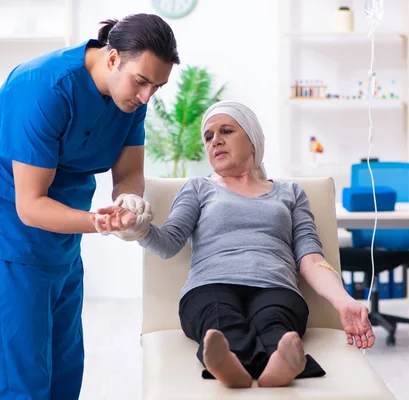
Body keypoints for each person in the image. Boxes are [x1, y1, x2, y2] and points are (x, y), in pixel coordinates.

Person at [0, 14, 178, 399]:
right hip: (11, 242)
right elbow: (30, 206)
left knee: (65, 372)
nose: (147, 96)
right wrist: (102, 222)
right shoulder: (41, 88)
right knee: (24, 383)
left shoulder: (130, 99)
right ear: (112, 58)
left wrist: (127, 200)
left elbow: (129, 171)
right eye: (142, 82)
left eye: (157, 87)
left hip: (64, 243)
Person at [95, 101, 376, 389]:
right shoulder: (198, 188)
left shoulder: (291, 193)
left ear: (253, 141)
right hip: (210, 285)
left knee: (275, 320)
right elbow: (168, 243)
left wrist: (344, 301)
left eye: (226, 131)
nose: (215, 140)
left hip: (275, 286)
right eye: (208, 136)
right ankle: (231, 365)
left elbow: (311, 257)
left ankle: (280, 364)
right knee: (218, 318)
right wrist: (137, 227)